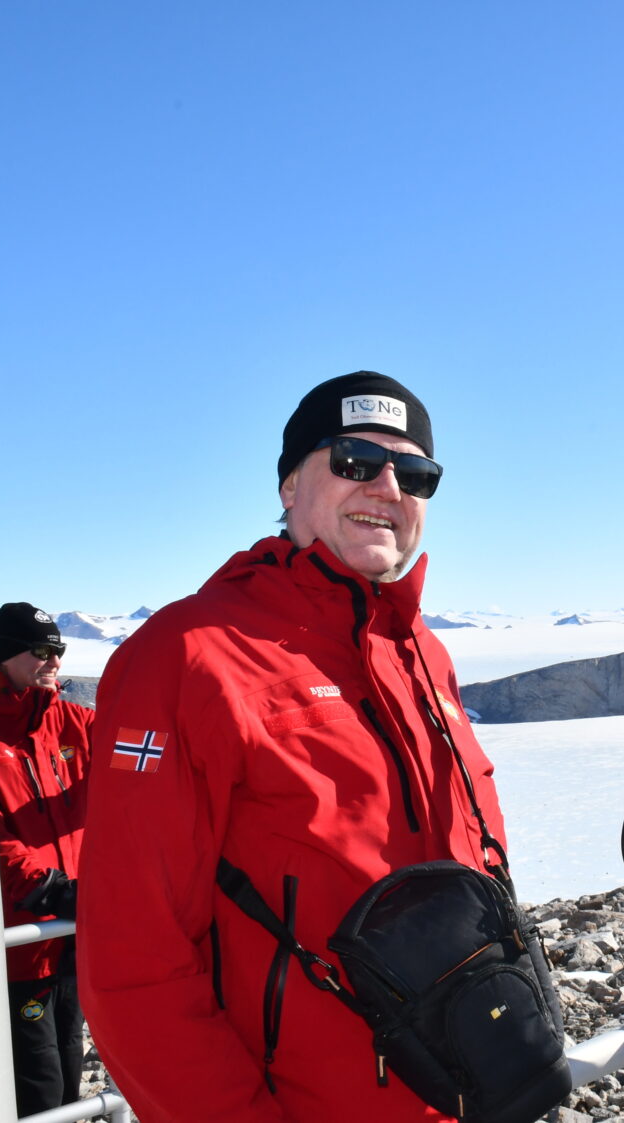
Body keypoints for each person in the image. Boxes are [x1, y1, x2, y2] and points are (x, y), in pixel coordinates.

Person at [79, 372, 512, 1122]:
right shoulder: (186, 656)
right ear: (288, 485)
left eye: (415, 474)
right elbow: (134, 960)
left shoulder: (421, 654)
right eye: (353, 461)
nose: (387, 487)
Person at [0, 602, 93, 1117]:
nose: (54, 661)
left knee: (69, 1060)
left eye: (59, 650)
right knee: (37, 1079)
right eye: (41, 651)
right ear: (5, 655)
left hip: (72, 930)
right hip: (20, 938)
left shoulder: (69, 721)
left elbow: (139, 752)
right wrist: (47, 888)